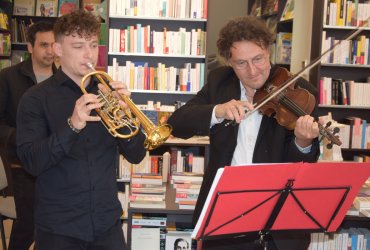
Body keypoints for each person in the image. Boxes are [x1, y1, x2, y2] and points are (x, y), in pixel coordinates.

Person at [167, 16, 321, 250]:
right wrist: (218, 111)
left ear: (268, 51)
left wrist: (302, 141)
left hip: (278, 227)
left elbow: (303, 168)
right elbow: (177, 123)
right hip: (225, 220)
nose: (252, 70)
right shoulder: (219, 82)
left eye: (258, 59)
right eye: (241, 63)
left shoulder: (298, 91)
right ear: (229, 62)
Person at [16, 10, 146, 250]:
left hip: (107, 224)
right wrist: (72, 125)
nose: (89, 54)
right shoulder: (35, 99)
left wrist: (126, 115)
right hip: (58, 229)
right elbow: (32, 163)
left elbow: (137, 154)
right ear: (58, 49)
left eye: (93, 45)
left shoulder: (106, 93)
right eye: (78, 46)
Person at [0, 20, 56, 250]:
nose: (51, 51)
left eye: (54, 44)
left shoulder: (64, 81)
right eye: (44, 45)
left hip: (56, 164)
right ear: (30, 47)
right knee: (28, 227)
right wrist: (17, 137)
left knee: (55, 225)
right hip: (21, 166)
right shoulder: (8, 77)